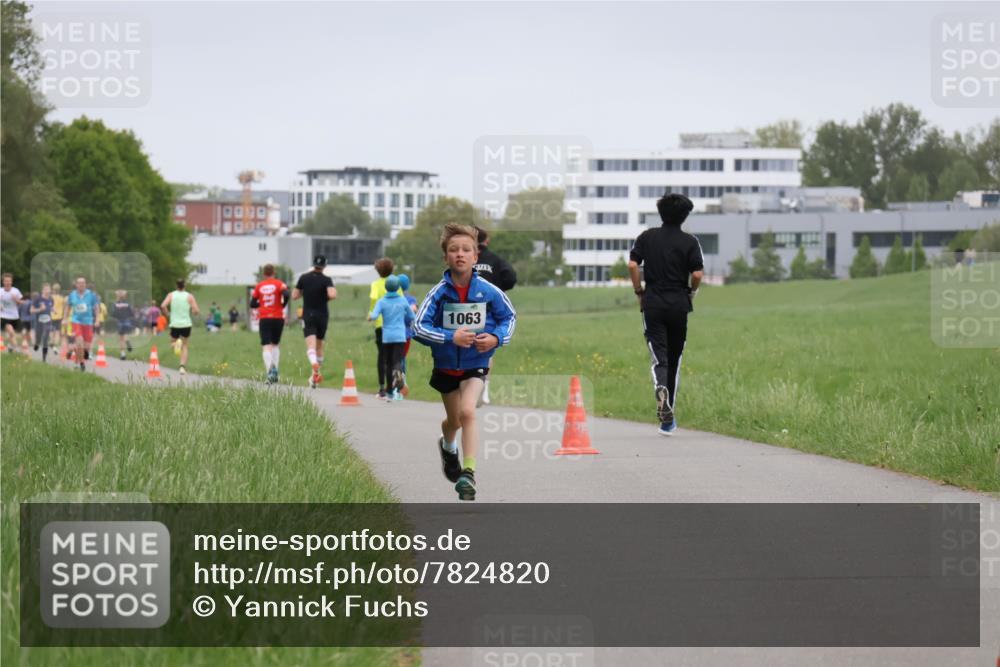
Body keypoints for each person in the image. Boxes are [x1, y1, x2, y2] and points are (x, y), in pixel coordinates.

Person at [414, 223, 517, 501]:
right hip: (446, 365)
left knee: (469, 412)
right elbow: (418, 328)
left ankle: (468, 474)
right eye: (453, 250)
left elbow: (510, 318)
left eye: (466, 250)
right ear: (446, 257)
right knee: (454, 421)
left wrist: (495, 339)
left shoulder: (489, 291)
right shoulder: (438, 294)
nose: (460, 254)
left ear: (475, 257)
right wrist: (450, 337)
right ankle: (448, 447)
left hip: (475, 363)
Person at [628, 193, 704, 436]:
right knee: (674, 358)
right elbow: (698, 274)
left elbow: (632, 265)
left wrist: (638, 290)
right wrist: (691, 292)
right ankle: (667, 420)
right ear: (685, 216)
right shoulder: (690, 242)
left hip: (653, 304)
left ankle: (661, 392)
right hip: (679, 305)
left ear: (661, 213)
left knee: (658, 356)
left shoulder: (646, 237)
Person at [472, 226, 518, 406]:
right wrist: (498, 289)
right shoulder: (495, 260)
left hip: (465, 306)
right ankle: (484, 390)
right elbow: (511, 277)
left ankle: (466, 388)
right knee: (486, 348)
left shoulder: (467, 257)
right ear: (487, 240)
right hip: (489, 308)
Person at [293, 255, 337, 389]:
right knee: (319, 346)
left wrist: (305, 293)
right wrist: (327, 293)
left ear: (313, 264)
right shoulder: (327, 280)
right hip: (323, 315)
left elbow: (295, 296)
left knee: (310, 346)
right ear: (325, 266)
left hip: (309, 315)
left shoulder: (304, 278)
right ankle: (314, 377)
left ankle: (314, 364)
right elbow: (332, 295)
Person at [368, 275, 414, 401]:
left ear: (386, 287)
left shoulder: (381, 301)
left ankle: (389, 393)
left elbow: (375, 315)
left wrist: (370, 317)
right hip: (400, 335)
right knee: (397, 361)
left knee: (387, 363)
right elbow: (411, 315)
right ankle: (398, 372)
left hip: (387, 336)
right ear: (397, 287)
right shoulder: (403, 301)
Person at [251, 264, 289, 384]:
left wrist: (261, 304)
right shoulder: (279, 284)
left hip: (265, 317)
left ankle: (270, 372)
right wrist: (283, 304)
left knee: (266, 345)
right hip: (278, 317)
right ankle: (276, 370)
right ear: (274, 272)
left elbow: (252, 303)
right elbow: (286, 294)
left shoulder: (259, 286)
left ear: (264, 273)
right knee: (275, 344)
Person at [369, 257, 399, 399]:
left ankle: (382, 388)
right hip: (396, 325)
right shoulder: (396, 284)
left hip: (381, 325)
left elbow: (374, 300)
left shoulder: (375, 284)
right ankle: (393, 386)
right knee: (395, 358)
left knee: (382, 357)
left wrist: (371, 314)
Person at [161, 279, 200, 375]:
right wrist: (194, 312)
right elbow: (196, 310)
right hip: (186, 324)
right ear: (184, 285)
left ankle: (176, 345)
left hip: (175, 324)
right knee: (185, 346)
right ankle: (182, 367)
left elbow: (163, 305)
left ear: (176, 285)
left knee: (173, 343)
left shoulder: (171, 295)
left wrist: (167, 314)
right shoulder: (189, 296)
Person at [64, 276, 99, 371]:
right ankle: (82, 363)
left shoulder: (91, 295)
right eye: (79, 283)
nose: (81, 285)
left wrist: (97, 320)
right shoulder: (72, 295)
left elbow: (96, 307)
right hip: (76, 321)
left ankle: (76, 357)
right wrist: (65, 318)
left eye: (83, 283)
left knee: (86, 347)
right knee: (79, 341)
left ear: (85, 284)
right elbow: (67, 307)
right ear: (76, 285)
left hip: (88, 322)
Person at [397, 273, 419, 396]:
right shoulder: (411, 299)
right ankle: (402, 380)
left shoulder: (393, 298)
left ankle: (397, 380)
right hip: (406, 334)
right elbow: (414, 310)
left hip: (393, 332)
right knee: (402, 358)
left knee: (395, 358)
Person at [30, 284, 55, 361]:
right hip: (39, 322)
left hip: (48, 321)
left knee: (45, 338)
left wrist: (53, 310)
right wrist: (40, 309)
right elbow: (31, 310)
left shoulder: (51, 299)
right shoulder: (38, 299)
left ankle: (44, 358)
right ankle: (37, 344)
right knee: (39, 338)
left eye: (48, 289)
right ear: (42, 290)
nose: (47, 291)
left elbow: (51, 307)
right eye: (46, 289)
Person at [1, 273, 24, 353]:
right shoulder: (0, 291)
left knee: (15, 334)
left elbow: (22, 302)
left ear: (11, 282)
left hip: (14, 316)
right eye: (6, 281)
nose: (7, 283)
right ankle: (16, 349)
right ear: (3, 282)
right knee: (11, 332)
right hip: (3, 316)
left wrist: (16, 299)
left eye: (9, 281)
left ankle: (10, 346)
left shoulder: (16, 291)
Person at [112, 290, 135, 360]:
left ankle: (123, 354)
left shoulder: (115, 304)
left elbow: (114, 314)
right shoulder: (127, 304)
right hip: (127, 321)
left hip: (119, 322)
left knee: (121, 338)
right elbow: (131, 313)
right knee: (126, 335)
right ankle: (127, 341)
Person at [49, 283, 65, 348]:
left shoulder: (50, 297)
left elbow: (49, 306)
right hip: (60, 316)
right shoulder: (62, 298)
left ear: (53, 289)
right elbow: (64, 307)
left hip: (52, 316)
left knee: (52, 330)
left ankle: (51, 341)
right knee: (58, 330)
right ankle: (56, 343)